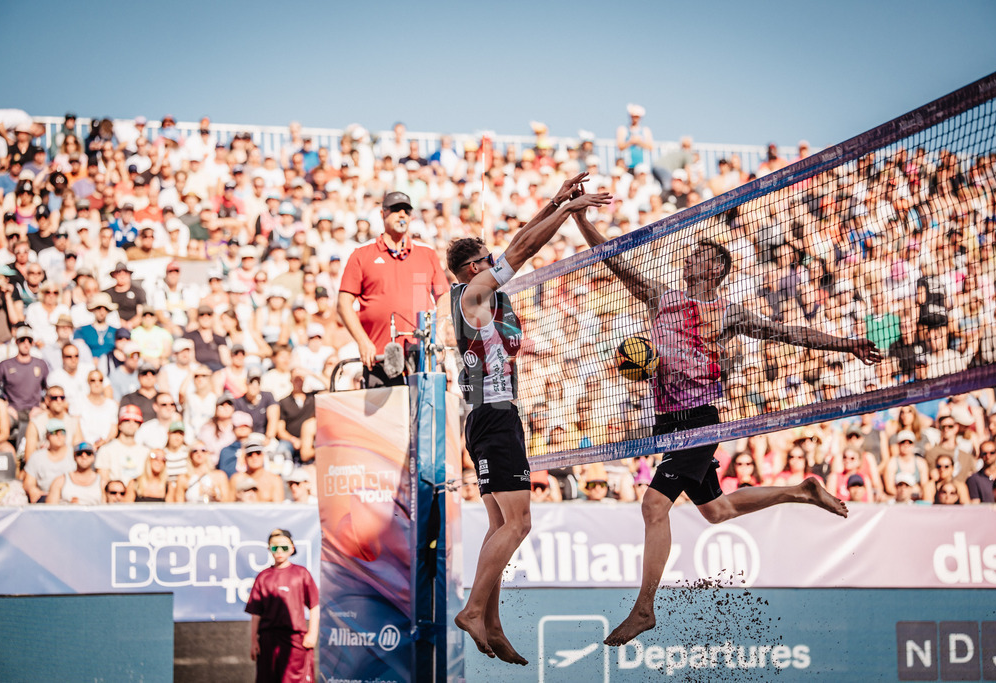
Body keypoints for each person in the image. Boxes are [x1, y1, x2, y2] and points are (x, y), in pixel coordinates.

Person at [571, 209, 882, 646]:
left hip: (699, 422)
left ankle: (644, 609)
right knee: (718, 512)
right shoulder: (662, 297)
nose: (687, 259)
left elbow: (788, 332)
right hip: (668, 424)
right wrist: (579, 218)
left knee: (653, 507)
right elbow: (612, 259)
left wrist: (846, 344)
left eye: (697, 255)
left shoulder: (727, 312)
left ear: (715, 267)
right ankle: (801, 491)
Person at [448, 173, 609, 663]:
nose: (493, 262)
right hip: (495, 416)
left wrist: (554, 201)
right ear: (472, 267)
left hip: (483, 416)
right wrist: (569, 210)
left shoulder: (474, 297)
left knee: (500, 523)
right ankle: (474, 610)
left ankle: (491, 621)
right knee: (519, 526)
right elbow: (521, 250)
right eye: (485, 259)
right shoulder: (474, 294)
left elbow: (517, 243)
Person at [336, 191, 449, 388]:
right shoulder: (362, 254)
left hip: (421, 355)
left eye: (406, 210)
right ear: (383, 214)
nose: (402, 214)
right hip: (379, 356)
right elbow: (343, 304)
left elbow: (444, 295)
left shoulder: (427, 253)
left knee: (421, 416)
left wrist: (438, 334)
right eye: (396, 210)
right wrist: (363, 342)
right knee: (384, 418)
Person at [246, 528, 319, 683]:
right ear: (269, 549)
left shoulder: (301, 573)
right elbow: (256, 613)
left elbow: (314, 605)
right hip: (268, 641)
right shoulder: (263, 577)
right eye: (274, 547)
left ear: (292, 549)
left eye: (284, 547)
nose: (279, 551)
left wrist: (312, 633)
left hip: (295, 641)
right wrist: (254, 641)